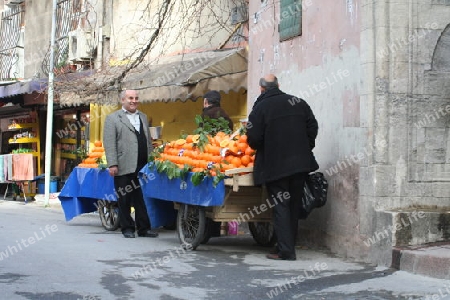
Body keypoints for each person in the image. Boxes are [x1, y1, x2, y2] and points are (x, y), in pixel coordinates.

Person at [246, 74, 319, 260]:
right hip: (299, 165)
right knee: (293, 206)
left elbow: (253, 138)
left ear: (262, 88)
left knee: (280, 206)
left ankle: (286, 251)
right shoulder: (298, 102)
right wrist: (305, 147)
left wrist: (262, 148)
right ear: (278, 85)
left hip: (276, 166)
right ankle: (285, 245)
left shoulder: (260, 108)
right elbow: (313, 127)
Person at [103, 89, 158, 238]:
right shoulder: (113, 118)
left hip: (142, 164)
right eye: (130, 98)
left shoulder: (143, 117)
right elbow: (109, 143)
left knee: (140, 198)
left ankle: (143, 228)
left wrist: (151, 160)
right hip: (123, 164)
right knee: (125, 197)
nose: (134, 101)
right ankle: (127, 228)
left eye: (136, 98)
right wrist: (112, 163)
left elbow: (147, 141)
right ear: (122, 100)